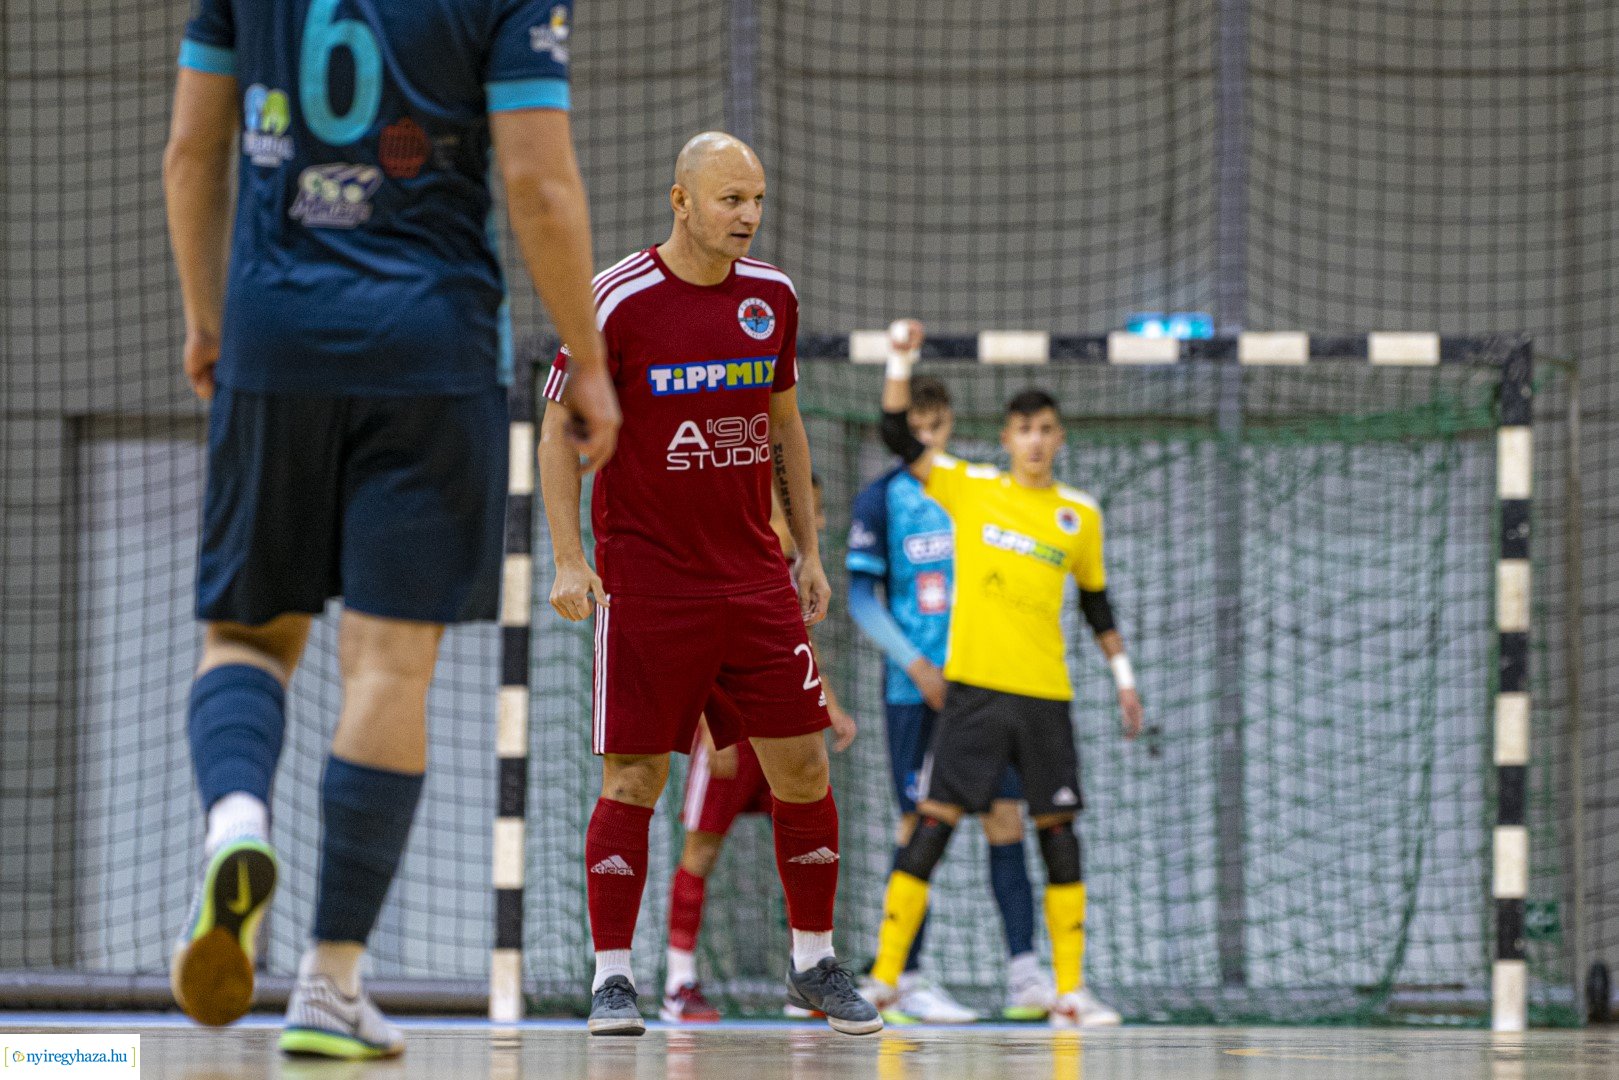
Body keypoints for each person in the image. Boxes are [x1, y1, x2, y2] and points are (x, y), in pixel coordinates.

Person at [164, 0, 618, 1059]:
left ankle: (236, 823)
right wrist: (585, 358)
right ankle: (328, 986)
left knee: (246, 634)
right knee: (388, 669)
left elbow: (194, 151)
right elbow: (537, 185)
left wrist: (207, 318)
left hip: (275, 340)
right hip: (431, 347)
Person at [540, 132, 881, 1037]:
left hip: (753, 580)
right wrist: (570, 559)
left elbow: (784, 426)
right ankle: (614, 979)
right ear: (679, 199)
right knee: (635, 776)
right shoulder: (615, 300)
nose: (748, 216)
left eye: (757, 199)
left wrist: (807, 551)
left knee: (803, 767)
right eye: (730, 198)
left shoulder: (772, 298)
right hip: (649, 580)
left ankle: (813, 962)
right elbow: (554, 432)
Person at [864, 320, 1144, 1028]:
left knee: (1056, 833)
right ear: (1006, 438)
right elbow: (898, 435)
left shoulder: (1079, 517)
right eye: (1023, 429)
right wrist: (900, 359)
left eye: (1046, 428)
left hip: (1045, 697)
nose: (1035, 440)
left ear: (1059, 438)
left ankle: (1068, 992)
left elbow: (1095, 602)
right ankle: (885, 981)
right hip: (975, 694)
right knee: (931, 825)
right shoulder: (971, 488)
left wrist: (1123, 676)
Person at [847, 376, 1050, 1024]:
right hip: (915, 691)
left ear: (950, 426)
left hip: (984, 689)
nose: (927, 439)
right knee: (918, 826)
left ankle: (1025, 975)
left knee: (1006, 820)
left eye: (936, 427)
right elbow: (858, 598)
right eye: (917, 428)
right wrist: (914, 661)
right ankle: (904, 977)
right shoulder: (880, 500)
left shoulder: (976, 492)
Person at [662, 478, 859, 1023]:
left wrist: (831, 707)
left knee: (802, 849)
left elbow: (802, 647)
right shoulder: (727, 553)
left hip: (784, 730)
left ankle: (807, 975)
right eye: (807, 511)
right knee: (699, 852)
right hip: (728, 734)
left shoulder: (798, 571)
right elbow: (699, 644)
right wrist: (708, 726)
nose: (815, 523)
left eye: (817, 512)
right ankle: (678, 983)